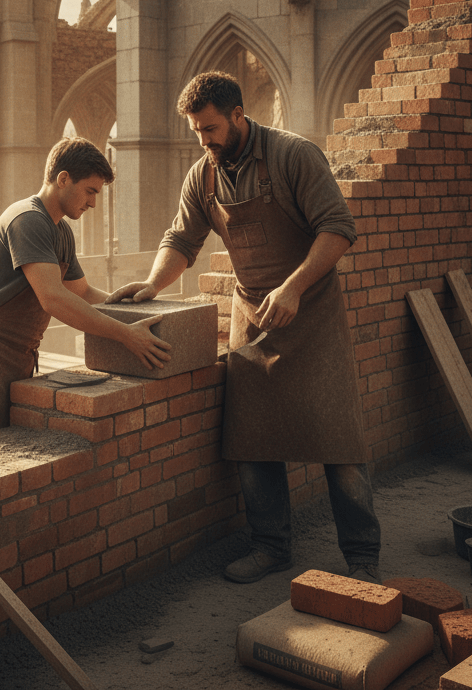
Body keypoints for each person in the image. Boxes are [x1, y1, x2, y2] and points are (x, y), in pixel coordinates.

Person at [107, 71, 381, 583]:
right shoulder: (204, 176)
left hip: (312, 312)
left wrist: (294, 288)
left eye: (209, 129)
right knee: (252, 437)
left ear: (238, 116)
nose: (203, 140)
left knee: (338, 437)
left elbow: (338, 229)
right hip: (251, 317)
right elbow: (182, 240)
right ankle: (272, 547)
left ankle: (363, 558)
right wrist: (152, 285)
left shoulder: (294, 156)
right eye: (196, 131)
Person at [0, 136, 171, 444]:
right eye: (90, 191)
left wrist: (133, 308)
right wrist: (126, 335)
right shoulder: (28, 219)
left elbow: (82, 293)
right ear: (63, 179)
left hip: (16, 356)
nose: (92, 203)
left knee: (3, 452)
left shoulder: (60, 230)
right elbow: (53, 299)